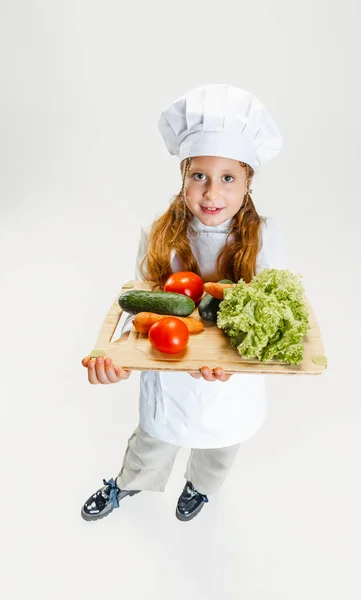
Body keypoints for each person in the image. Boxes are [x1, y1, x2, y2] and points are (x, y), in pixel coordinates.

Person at [81, 83, 285, 523]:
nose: (212, 194)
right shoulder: (158, 232)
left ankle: (200, 487)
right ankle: (128, 483)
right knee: (155, 436)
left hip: (233, 371)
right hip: (169, 361)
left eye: (228, 178)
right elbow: (141, 303)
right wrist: (115, 358)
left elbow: (270, 310)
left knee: (222, 443)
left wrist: (234, 360)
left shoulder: (263, 236)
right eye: (200, 177)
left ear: (249, 182)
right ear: (183, 177)